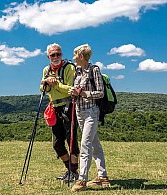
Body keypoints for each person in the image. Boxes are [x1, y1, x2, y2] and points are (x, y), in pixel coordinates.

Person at [68, 44, 110, 192]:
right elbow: (78, 90)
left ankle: (82, 180)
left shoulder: (94, 70)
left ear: (81, 56)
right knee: (94, 143)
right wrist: (73, 92)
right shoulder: (77, 71)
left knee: (85, 143)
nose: (74, 58)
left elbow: (101, 92)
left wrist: (86, 94)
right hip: (80, 111)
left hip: (92, 111)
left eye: (75, 55)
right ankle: (102, 176)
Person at [40, 43, 79, 183]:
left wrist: (54, 84)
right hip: (54, 107)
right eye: (52, 55)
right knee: (57, 143)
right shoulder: (46, 69)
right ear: (48, 56)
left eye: (58, 54)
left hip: (69, 107)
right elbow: (42, 90)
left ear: (61, 54)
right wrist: (46, 83)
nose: (56, 57)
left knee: (72, 141)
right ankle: (70, 170)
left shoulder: (69, 68)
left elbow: (70, 89)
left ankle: (74, 172)